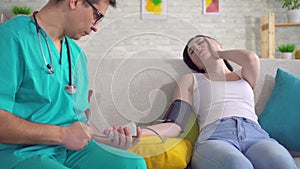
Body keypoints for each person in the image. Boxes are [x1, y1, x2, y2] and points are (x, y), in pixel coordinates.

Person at [0, 0, 147, 169]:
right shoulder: (11, 37)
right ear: (74, 2)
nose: (95, 27)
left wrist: (109, 140)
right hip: (20, 153)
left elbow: (78, 124)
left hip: (68, 151)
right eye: (96, 15)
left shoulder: (76, 55)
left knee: (132, 164)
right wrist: (62, 135)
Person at [142, 35, 297, 169]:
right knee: (239, 165)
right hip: (215, 137)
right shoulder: (191, 80)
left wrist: (218, 54)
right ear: (195, 63)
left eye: (201, 42)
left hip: (256, 135)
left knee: (284, 164)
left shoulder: (244, 76)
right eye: (192, 51)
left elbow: (250, 58)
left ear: (218, 44)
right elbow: (174, 125)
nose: (196, 48)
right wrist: (139, 133)